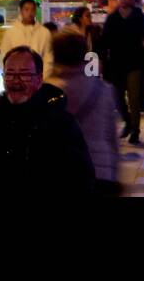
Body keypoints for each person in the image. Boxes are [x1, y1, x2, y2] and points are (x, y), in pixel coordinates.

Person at [0, 46, 95, 197]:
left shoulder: (60, 123)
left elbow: (80, 179)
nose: (16, 81)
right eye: (10, 74)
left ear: (39, 80)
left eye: (25, 74)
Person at [46, 30, 120, 195]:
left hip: (61, 173)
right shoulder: (103, 89)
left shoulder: (46, 92)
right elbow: (111, 138)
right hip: (100, 171)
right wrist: (114, 174)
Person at [102, 0, 144, 144]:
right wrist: (104, 59)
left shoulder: (139, 17)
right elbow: (105, 40)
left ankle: (135, 131)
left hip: (134, 64)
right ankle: (128, 121)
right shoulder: (112, 18)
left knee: (133, 98)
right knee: (118, 97)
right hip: (117, 64)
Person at [0, 0, 53, 68]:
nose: (30, 13)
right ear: (21, 11)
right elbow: (4, 56)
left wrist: (43, 75)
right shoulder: (11, 32)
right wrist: (11, 75)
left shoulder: (45, 32)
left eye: (33, 9)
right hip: (16, 75)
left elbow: (48, 58)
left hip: (39, 76)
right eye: (26, 9)